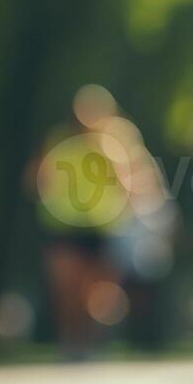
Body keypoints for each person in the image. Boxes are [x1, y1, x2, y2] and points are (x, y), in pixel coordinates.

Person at [33, 85, 148, 360]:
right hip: (65, 225)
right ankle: (70, 340)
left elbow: (131, 183)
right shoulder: (59, 139)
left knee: (98, 291)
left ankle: (89, 339)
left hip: (104, 227)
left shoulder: (118, 142)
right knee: (67, 288)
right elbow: (39, 178)